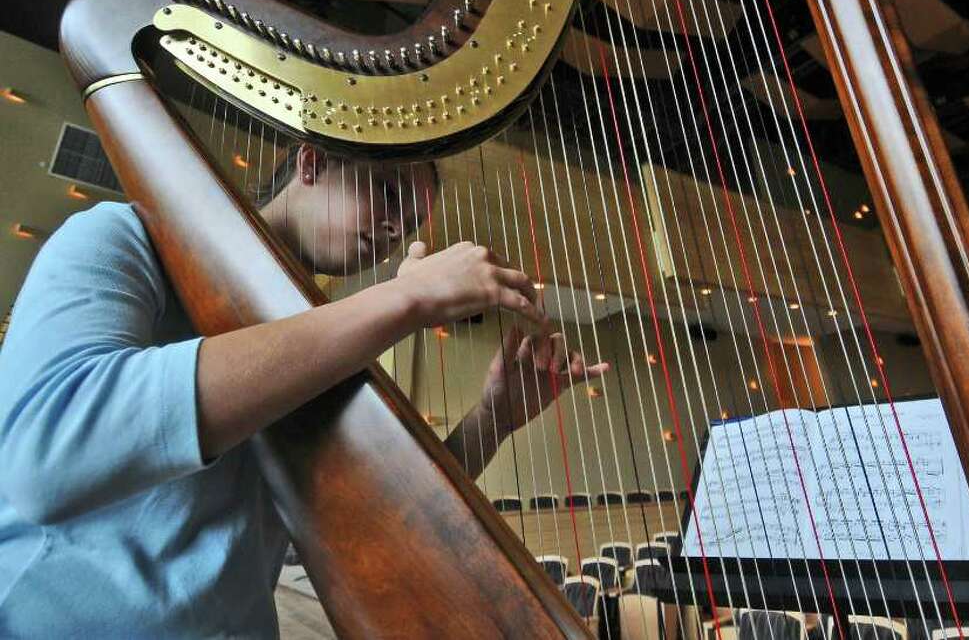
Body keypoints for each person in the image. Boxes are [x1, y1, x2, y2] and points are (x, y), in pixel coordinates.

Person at [0, 142, 607, 637]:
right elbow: (45, 456)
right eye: (389, 193)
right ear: (311, 162)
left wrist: (493, 419)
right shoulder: (120, 236)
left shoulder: (328, 339)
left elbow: (381, 523)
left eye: (413, 221)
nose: (397, 228)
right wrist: (405, 297)